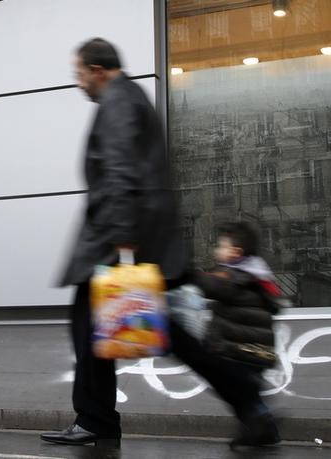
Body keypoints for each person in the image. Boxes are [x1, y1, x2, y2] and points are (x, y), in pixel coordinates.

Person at [40, 38, 185, 447]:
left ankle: (96, 420)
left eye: (80, 74)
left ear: (98, 69)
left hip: (112, 241)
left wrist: (122, 242)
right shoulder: (131, 95)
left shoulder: (119, 101)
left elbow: (120, 172)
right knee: (105, 330)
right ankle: (97, 419)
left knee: (88, 330)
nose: (79, 83)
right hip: (124, 237)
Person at [170, 221, 281, 448]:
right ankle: (259, 427)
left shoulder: (239, 277)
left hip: (241, 350)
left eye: (221, 246)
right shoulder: (253, 275)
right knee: (244, 394)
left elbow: (213, 285)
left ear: (235, 252)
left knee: (240, 390)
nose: (216, 250)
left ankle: (262, 424)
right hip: (253, 349)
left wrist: (186, 274)